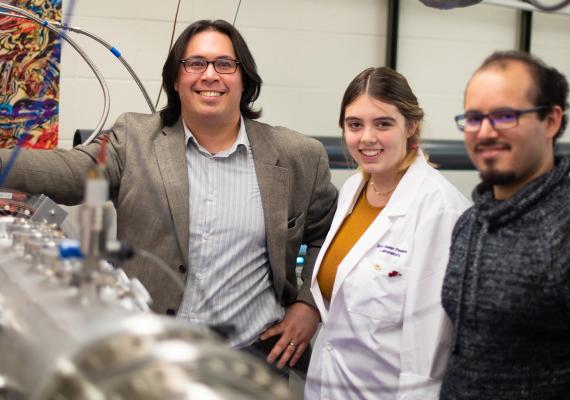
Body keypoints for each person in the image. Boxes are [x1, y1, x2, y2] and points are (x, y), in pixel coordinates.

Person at [0, 19, 337, 372]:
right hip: (147, 363)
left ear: (244, 79)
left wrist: (309, 305)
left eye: (224, 64)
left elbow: (329, 237)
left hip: (250, 361)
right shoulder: (134, 139)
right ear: (176, 80)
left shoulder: (298, 155)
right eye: (195, 64)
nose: (210, 75)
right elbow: (68, 171)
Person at [304, 67, 470, 399]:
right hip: (329, 384)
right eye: (354, 125)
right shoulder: (353, 188)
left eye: (383, 123)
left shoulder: (441, 209)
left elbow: (430, 348)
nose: (366, 138)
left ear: (410, 126)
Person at [440, 51, 570, 399]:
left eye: (504, 116)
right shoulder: (470, 222)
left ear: (551, 121)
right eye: (473, 118)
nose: (484, 132)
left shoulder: (563, 229)